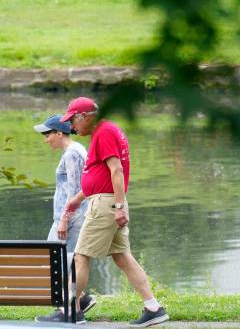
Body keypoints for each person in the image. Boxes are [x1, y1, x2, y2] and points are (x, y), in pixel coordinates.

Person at [41, 97, 169, 327]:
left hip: (105, 204)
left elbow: (116, 170)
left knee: (81, 257)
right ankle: (153, 307)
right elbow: (98, 175)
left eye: (73, 121)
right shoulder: (103, 132)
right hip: (103, 200)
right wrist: (76, 200)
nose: (71, 126)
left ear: (85, 116)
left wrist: (119, 206)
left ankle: (71, 311)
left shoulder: (104, 132)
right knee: (122, 257)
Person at [32, 115, 95, 323]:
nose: (45, 139)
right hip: (71, 217)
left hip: (70, 218)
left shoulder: (72, 154)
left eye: (48, 134)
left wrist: (64, 219)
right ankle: (80, 301)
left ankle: (66, 310)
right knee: (62, 262)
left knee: (57, 262)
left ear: (60, 133)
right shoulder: (75, 151)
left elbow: (75, 190)